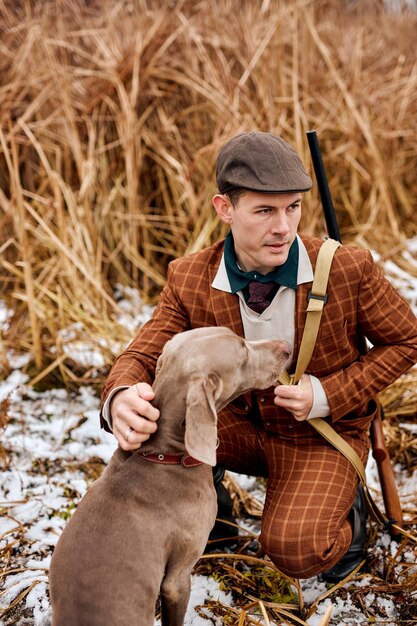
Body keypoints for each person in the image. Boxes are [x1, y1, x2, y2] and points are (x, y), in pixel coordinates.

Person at [100, 131, 417, 581]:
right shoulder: (189, 276)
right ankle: (211, 518)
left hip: (318, 434)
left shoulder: (347, 268)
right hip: (237, 426)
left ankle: (348, 516)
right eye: (265, 210)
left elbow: (407, 340)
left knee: (297, 552)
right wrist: (120, 397)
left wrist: (328, 392)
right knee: (151, 416)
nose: (283, 227)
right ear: (224, 208)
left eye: (293, 208)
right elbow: (144, 354)